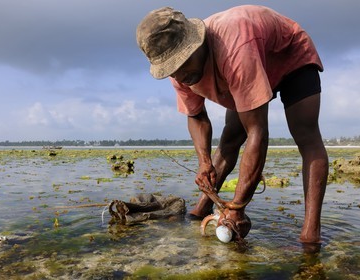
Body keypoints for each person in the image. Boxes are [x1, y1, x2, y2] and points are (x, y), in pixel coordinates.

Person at [136, 5, 328, 245]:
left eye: (183, 63)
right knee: (229, 140)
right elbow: (196, 116)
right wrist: (204, 162)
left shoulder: (234, 47)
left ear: (198, 44)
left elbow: (257, 132)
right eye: (172, 70)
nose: (180, 75)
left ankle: (311, 235)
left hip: (289, 57)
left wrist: (238, 206)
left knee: (306, 136)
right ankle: (200, 210)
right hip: (244, 67)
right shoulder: (180, 74)